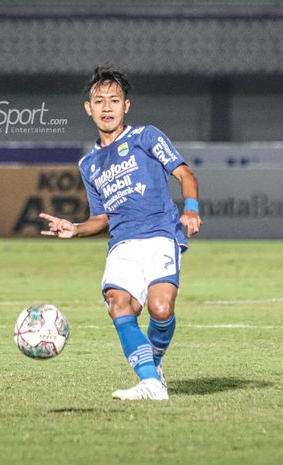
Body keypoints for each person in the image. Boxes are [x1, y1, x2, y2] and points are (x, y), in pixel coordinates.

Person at [39, 66, 202, 400]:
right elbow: (101, 218)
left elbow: (185, 174)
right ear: (88, 108)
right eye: (99, 101)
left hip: (159, 234)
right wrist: (77, 228)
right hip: (123, 245)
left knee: (161, 309)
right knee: (118, 303)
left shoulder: (147, 137)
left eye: (115, 100)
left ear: (126, 105)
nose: (107, 107)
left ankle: (152, 366)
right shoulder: (89, 164)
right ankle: (151, 384)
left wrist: (191, 210)